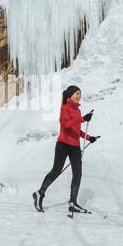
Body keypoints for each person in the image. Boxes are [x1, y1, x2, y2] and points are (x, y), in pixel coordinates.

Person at [33, 85, 99, 213]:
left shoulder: (78, 111)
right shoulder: (65, 109)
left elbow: (76, 130)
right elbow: (67, 125)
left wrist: (89, 137)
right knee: (56, 170)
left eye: (80, 94)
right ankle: (40, 193)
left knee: (78, 173)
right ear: (70, 95)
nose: (79, 96)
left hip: (75, 146)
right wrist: (83, 119)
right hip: (63, 144)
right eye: (77, 93)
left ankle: (73, 202)